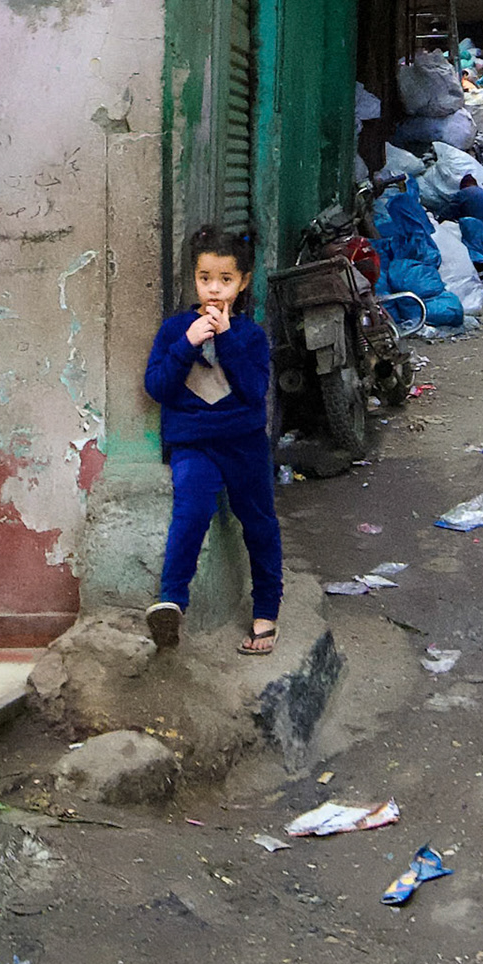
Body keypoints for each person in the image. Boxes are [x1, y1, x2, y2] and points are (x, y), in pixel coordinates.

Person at [142, 225, 283, 656]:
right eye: (205, 279)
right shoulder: (174, 331)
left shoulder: (251, 336)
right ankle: (172, 604)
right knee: (192, 508)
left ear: (242, 283)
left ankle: (266, 611)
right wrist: (186, 344)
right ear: (194, 279)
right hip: (193, 444)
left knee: (258, 521)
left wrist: (225, 338)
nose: (214, 290)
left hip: (243, 444)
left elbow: (252, 390)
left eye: (225, 280)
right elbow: (158, 387)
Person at [438, 173, 483, 249]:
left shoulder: (462, 194)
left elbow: (446, 214)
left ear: (462, 187)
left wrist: (437, 223)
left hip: (481, 238)